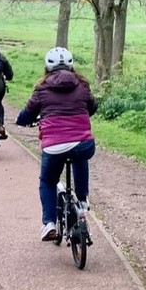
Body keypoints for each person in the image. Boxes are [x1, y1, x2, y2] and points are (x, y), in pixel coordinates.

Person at [15, 47, 98, 242]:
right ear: (71, 66)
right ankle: (83, 200)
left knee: (48, 181)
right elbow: (92, 107)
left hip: (54, 146)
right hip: (83, 143)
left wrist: (22, 121)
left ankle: (49, 224)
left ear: (47, 67)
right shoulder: (83, 84)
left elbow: (27, 114)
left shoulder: (42, 89)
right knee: (80, 156)